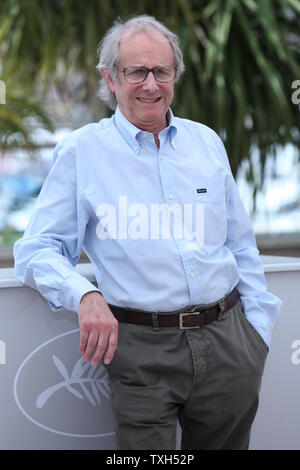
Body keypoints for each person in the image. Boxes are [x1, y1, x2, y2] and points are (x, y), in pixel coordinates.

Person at [14, 15, 282, 450]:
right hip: (140, 349)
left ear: (175, 74)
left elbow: (239, 245)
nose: (150, 85)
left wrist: (257, 333)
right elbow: (36, 249)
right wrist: (85, 295)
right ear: (110, 78)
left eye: (162, 71)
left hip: (229, 341)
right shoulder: (84, 151)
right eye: (136, 71)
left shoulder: (206, 142)